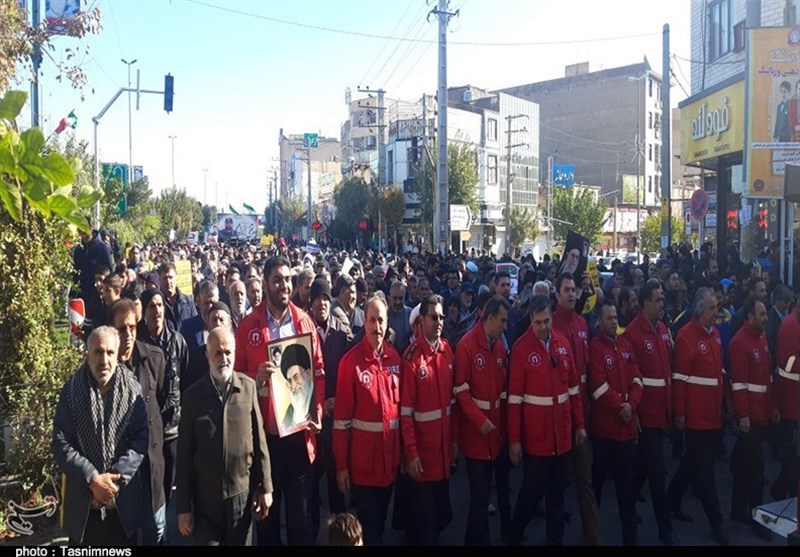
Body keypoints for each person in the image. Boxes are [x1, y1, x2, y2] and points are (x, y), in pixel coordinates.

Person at [234, 255, 325, 546]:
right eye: (277, 280)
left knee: (301, 522)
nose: (283, 286)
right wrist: (255, 377)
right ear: (265, 283)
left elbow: (318, 371)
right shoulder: (248, 326)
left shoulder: (305, 322)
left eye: (287, 280)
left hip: (299, 437)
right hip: (265, 441)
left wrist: (316, 409)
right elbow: (235, 379)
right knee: (267, 523)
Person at [176, 327, 273, 545]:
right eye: (218, 353)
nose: (224, 359)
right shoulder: (192, 397)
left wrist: (266, 487)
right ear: (207, 355)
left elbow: (260, 443)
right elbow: (184, 457)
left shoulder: (247, 388)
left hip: (241, 498)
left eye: (228, 352)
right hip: (206, 505)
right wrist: (183, 508)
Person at [52, 326, 148, 546]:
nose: (104, 360)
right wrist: (92, 478)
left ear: (117, 355)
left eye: (109, 352)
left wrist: (113, 479)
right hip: (83, 508)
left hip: (122, 505)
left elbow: (141, 439)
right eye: (98, 352)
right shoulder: (71, 391)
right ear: (88, 355)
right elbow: (60, 442)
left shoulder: (133, 391)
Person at [506, 294, 586, 546]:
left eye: (547, 321)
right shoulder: (520, 349)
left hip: (561, 437)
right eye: (538, 322)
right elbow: (514, 401)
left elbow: (573, 389)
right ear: (530, 320)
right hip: (536, 440)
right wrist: (514, 441)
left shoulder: (563, 344)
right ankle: (514, 535)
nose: (543, 327)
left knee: (557, 496)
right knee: (531, 493)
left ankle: (555, 540)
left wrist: (580, 425)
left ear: (552, 317)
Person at [333, 293, 403, 545]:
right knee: (369, 532)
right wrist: (341, 466)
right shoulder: (350, 363)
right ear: (364, 322)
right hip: (363, 469)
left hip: (389, 465)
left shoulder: (395, 359)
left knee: (380, 526)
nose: (377, 326)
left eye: (381, 320)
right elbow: (341, 422)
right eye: (372, 320)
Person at [667, 287, 729, 545]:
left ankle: (670, 500)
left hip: (713, 415)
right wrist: (680, 414)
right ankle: (717, 523)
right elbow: (680, 380)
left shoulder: (715, 334)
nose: (717, 312)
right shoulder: (686, 337)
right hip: (696, 418)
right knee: (704, 473)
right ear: (700, 310)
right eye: (712, 308)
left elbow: (718, 373)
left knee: (692, 464)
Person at [622, 282, 678, 545]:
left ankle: (628, 501)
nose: (662, 304)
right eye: (658, 300)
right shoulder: (632, 335)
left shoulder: (664, 330)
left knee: (645, 467)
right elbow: (630, 378)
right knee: (657, 474)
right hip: (645, 416)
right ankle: (665, 530)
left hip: (662, 412)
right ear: (645, 303)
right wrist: (634, 412)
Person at [110, 299, 168, 545]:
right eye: (121, 329)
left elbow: (161, 400)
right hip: (121, 465)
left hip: (151, 461)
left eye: (132, 327)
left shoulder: (153, 358)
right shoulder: (105, 367)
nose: (128, 334)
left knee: (156, 528)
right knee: (127, 531)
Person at [454, 295, 510, 545]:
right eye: (502, 321)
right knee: (479, 498)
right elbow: (461, 391)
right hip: (475, 437)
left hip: (494, 436)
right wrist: (480, 421)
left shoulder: (499, 348)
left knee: (482, 498)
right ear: (489, 318)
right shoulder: (467, 346)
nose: (505, 327)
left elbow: (502, 392)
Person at [400, 293, 455, 545]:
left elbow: (451, 405)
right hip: (423, 458)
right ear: (421, 320)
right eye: (434, 317)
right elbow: (406, 413)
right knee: (428, 527)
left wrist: (454, 442)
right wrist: (411, 454)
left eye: (441, 317)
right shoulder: (411, 358)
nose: (439, 322)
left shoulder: (447, 351)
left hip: (442, 455)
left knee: (444, 516)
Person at [551, 272, 601, 546]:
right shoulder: (550, 325)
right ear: (557, 294)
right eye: (566, 290)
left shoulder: (583, 324)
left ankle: (593, 537)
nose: (571, 294)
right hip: (558, 416)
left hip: (581, 413)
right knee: (554, 483)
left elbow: (589, 369)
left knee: (586, 479)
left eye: (574, 289)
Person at [588, 300, 642, 546]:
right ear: (599, 321)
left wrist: (632, 405)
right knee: (597, 483)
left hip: (626, 432)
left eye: (615, 318)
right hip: (605, 432)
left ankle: (630, 537)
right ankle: (591, 533)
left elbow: (637, 380)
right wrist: (622, 407)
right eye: (609, 318)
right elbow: (598, 387)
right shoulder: (595, 348)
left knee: (626, 488)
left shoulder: (626, 346)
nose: (613, 322)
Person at [728, 298, 774, 540]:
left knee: (745, 467)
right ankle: (758, 520)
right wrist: (743, 416)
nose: (766, 318)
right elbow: (739, 385)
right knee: (756, 471)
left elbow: (766, 377)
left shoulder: (762, 338)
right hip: (751, 418)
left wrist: (772, 407)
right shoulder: (739, 343)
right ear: (750, 317)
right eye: (762, 314)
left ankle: (738, 510)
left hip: (761, 413)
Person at [137, 288, 187, 509]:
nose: (156, 310)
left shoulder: (177, 341)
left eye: (159, 305)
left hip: (172, 428)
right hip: (147, 428)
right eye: (151, 306)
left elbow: (186, 380)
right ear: (144, 311)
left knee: (169, 483)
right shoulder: (138, 344)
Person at [771, 299, 800, 500]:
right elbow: (787, 363)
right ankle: (789, 492)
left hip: (795, 398)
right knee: (791, 451)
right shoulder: (790, 326)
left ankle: (781, 488)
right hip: (791, 399)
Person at [278, 343, 316, 432]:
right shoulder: (291, 409)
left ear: (308, 373)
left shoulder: (318, 401)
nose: (293, 386)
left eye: (296, 377)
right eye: (289, 381)